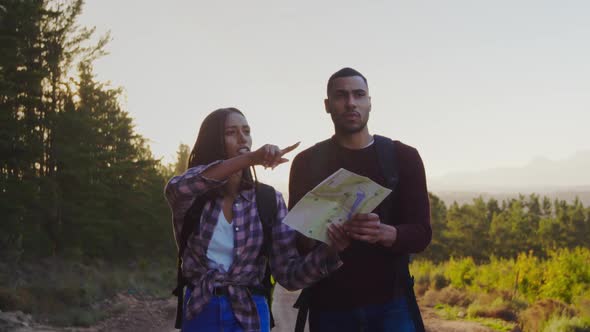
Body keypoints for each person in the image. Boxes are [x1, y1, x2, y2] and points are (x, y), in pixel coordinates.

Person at [164, 107, 348, 332]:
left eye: (247, 131)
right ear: (213, 141)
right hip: (202, 309)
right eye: (231, 132)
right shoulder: (192, 197)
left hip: (249, 311)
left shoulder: (268, 200)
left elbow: (289, 275)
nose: (243, 138)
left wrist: (330, 250)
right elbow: (177, 187)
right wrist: (250, 158)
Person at [289, 68, 432, 332]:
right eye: (341, 95)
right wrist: (327, 242)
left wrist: (384, 233)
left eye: (358, 94)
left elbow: (422, 234)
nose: (350, 102)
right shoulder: (307, 162)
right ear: (327, 105)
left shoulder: (403, 157)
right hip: (329, 305)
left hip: (393, 304)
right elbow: (299, 241)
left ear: (369, 102)